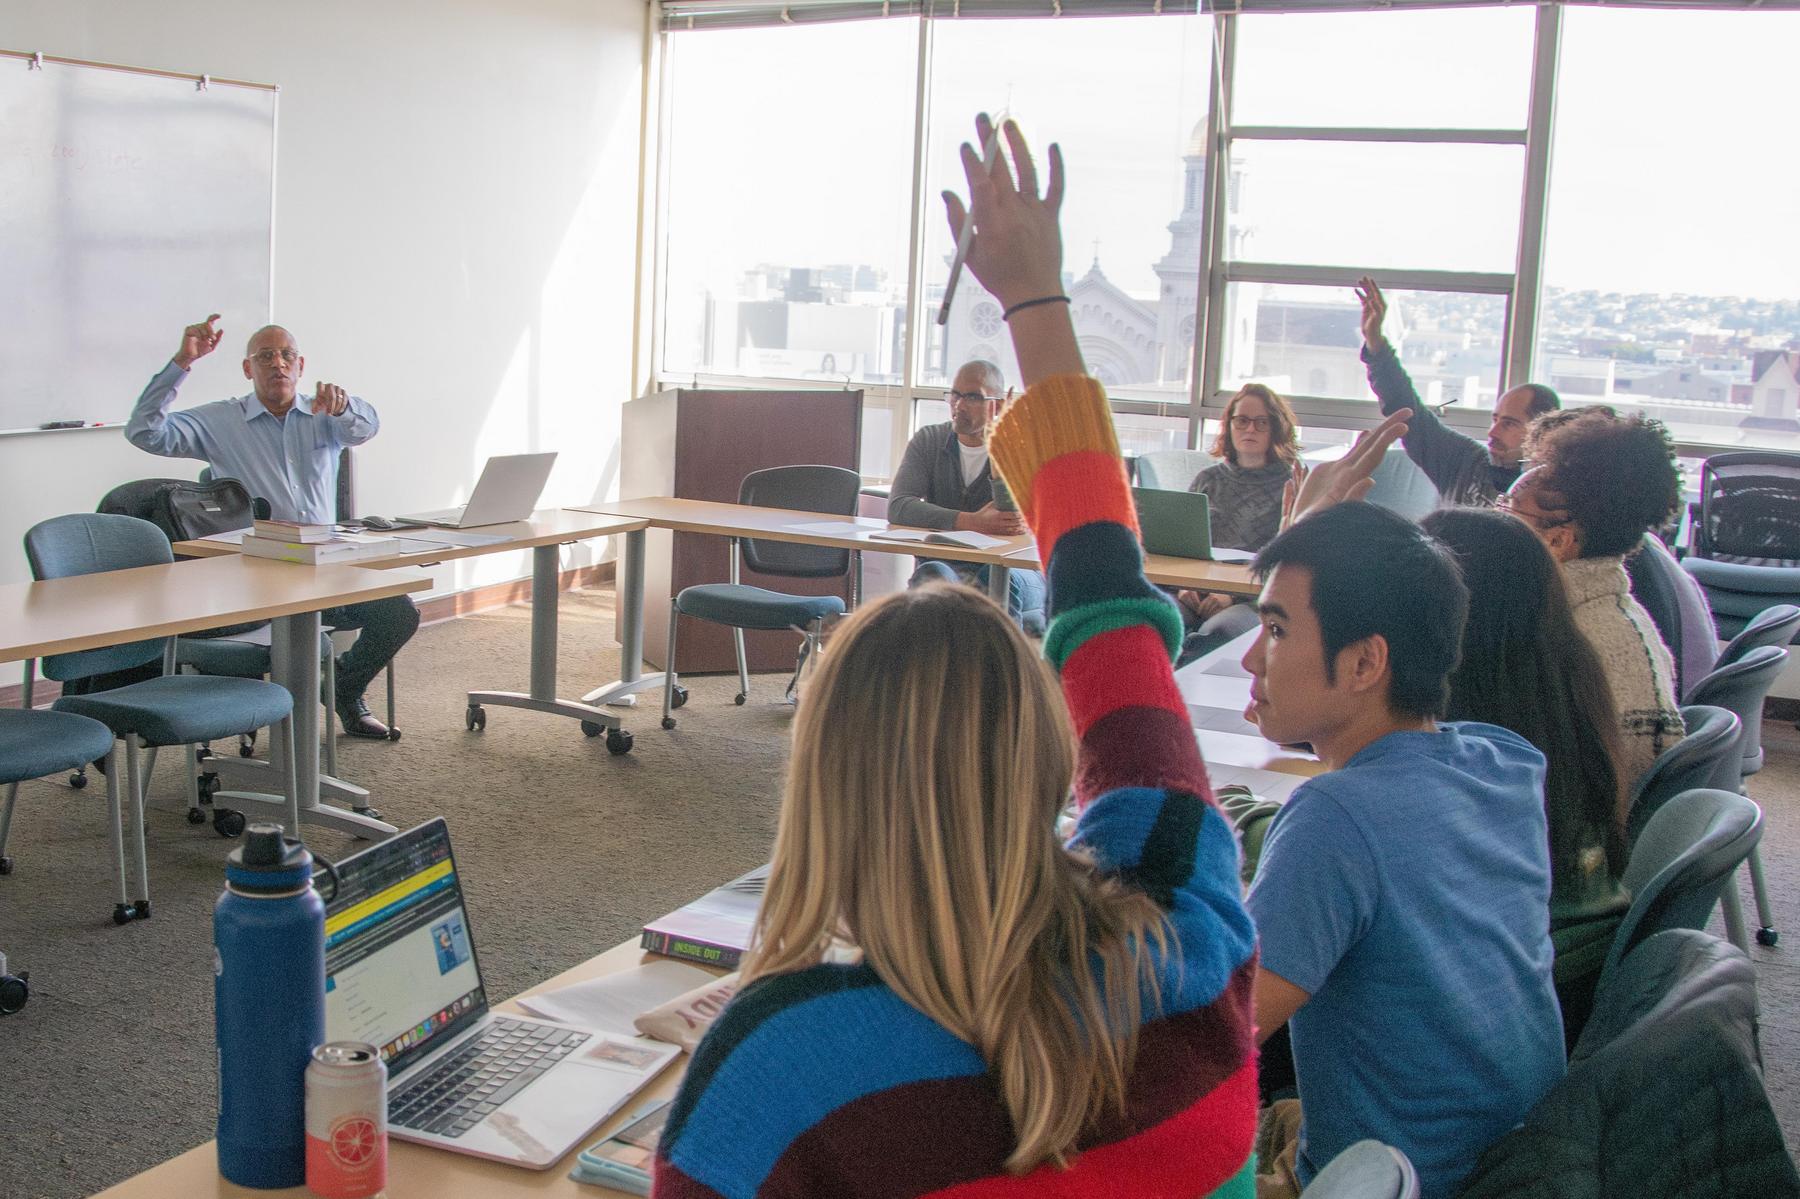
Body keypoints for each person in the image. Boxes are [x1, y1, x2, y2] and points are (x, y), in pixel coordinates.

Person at [654, 115, 1266, 1198]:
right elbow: (1112, 613)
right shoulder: (1192, 928)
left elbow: (1106, 610)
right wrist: (1038, 298)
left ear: (827, 783)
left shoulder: (774, 1073)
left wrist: (1025, 302)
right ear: (1047, 755)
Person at [1242, 500, 1565, 1199]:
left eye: (1273, 630)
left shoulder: (1334, 816)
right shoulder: (1502, 759)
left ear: (1364, 662)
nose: (1248, 655)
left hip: (1395, 1182)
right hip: (1507, 1161)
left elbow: (1206, 1040)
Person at [126, 317, 418, 739]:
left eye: (287, 356)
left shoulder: (324, 415)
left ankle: (342, 689)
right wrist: (181, 363)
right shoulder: (220, 421)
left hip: (325, 568)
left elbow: (367, 427)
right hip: (258, 575)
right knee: (292, 629)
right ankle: (308, 715)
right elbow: (144, 431)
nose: (277, 364)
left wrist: (345, 405)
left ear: (300, 366)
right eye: (265, 357)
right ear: (249, 370)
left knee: (399, 612)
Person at [1419, 506, 1631, 1050]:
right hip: (1550, 994)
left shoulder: (1474, 759)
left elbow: (1358, 852)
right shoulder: (1563, 691)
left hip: (1469, 1024)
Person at [1498, 409, 1685, 789]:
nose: (1497, 521)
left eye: (1509, 512)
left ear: (1559, 541)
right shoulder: (1617, 613)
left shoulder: (1570, 641)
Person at [1356, 276, 1560, 507]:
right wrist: (1376, 344)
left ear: (1540, 434)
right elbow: (1409, 412)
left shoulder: (1552, 494)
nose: (1492, 432)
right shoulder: (1465, 461)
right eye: (1495, 419)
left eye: (1509, 423)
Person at [888, 358, 1047, 630]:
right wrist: (971, 521)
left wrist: (1003, 445)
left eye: (972, 397)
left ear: (996, 404)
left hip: (1018, 567)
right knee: (931, 576)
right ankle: (928, 672)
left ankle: (1001, 673)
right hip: (948, 563)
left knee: (997, 581)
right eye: (955, 395)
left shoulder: (1021, 446)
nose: (959, 405)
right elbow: (900, 506)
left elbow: (1010, 519)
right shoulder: (929, 440)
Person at [1177, 383, 1303, 660]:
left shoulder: (1293, 485)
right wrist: (1186, 587)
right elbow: (1182, 545)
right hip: (1195, 591)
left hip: (1254, 600)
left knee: (1214, 636)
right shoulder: (1208, 479)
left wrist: (1231, 597)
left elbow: (1292, 563)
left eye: (1261, 423)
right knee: (1154, 622)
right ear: (1229, 425)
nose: (1249, 430)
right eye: (1242, 421)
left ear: (1276, 428)